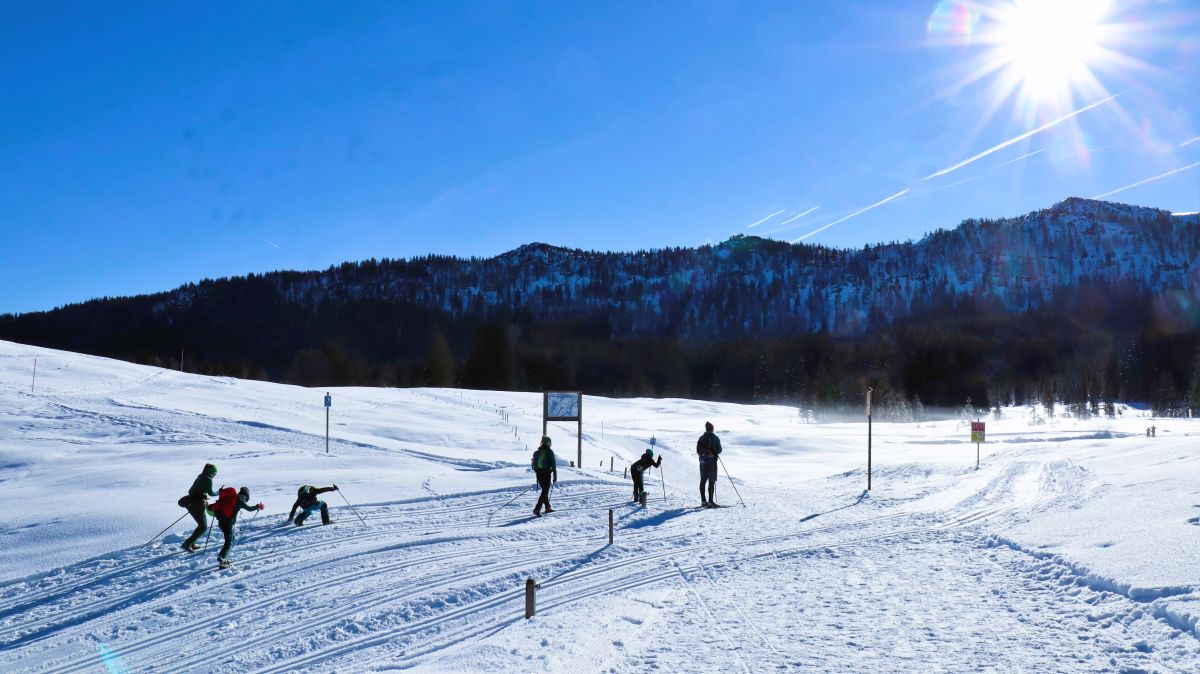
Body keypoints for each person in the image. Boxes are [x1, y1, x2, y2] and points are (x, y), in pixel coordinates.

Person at [209, 486, 263, 568]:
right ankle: (222, 558)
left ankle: (223, 557)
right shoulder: (240, 502)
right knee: (229, 541)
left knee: (231, 538)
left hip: (221, 522)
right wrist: (258, 506)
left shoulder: (229, 498)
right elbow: (249, 508)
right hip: (228, 523)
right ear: (245, 496)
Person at [178, 463, 218, 552]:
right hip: (198, 505)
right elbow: (211, 493)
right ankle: (187, 544)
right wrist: (219, 492)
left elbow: (191, 491)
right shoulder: (208, 480)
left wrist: (202, 496)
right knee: (203, 527)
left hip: (191, 503)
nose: (214, 476)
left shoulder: (200, 476)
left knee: (202, 526)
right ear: (210, 473)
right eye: (214, 474)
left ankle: (191, 543)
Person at [696, 421, 722, 507]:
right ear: (712, 429)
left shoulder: (701, 438)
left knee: (703, 481)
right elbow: (719, 450)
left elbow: (698, 450)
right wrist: (714, 452)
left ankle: (703, 501)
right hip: (712, 462)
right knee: (711, 481)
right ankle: (710, 501)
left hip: (702, 461)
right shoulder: (715, 438)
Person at [531, 436, 557, 516]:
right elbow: (553, 464)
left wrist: (538, 473)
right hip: (546, 473)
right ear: (547, 443)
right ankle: (537, 509)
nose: (551, 444)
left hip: (538, 473)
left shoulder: (537, 452)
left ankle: (547, 507)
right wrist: (555, 475)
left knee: (544, 491)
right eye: (550, 442)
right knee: (545, 491)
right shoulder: (549, 451)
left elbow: (534, 465)